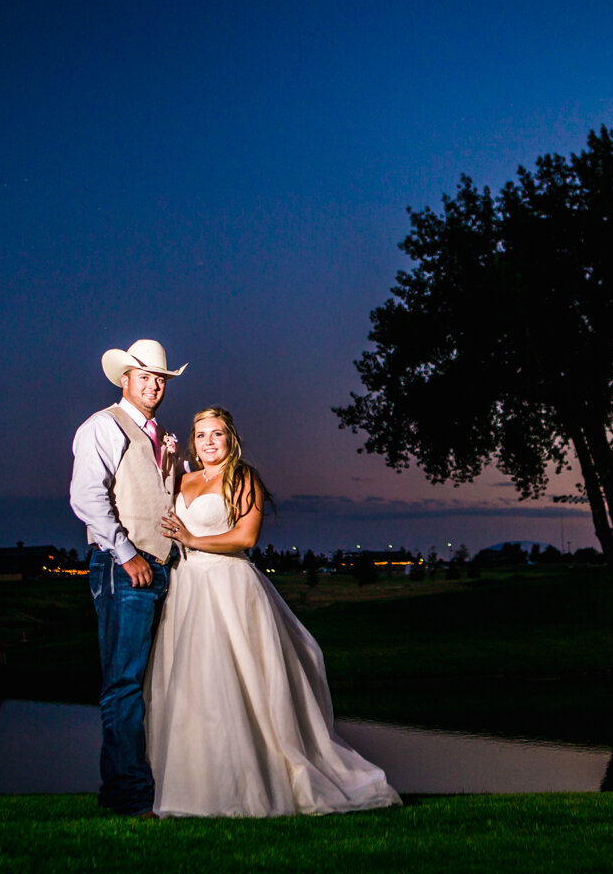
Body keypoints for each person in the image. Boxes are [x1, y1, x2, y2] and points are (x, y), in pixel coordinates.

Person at [146, 406, 400, 817]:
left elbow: (245, 537)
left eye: (217, 434)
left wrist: (193, 537)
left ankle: (255, 783)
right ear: (194, 440)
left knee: (237, 682)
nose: (209, 441)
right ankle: (195, 788)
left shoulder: (243, 477)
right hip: (187, 587)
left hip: (229, 586)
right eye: (202, 434)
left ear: (231, 438)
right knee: (193, 686)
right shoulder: (184, 478)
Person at [69, 339, 187, 817]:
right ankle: (128, 800)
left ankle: (138, 789)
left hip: (159, 569)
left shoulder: (158, 435)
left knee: (146, 683)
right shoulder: (102, 426)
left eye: (160, 379)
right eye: (145, 377)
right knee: (122, 686)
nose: (154, 386)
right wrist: (126, 554)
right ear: (125, 380)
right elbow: (86, 499)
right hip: (124, 571)